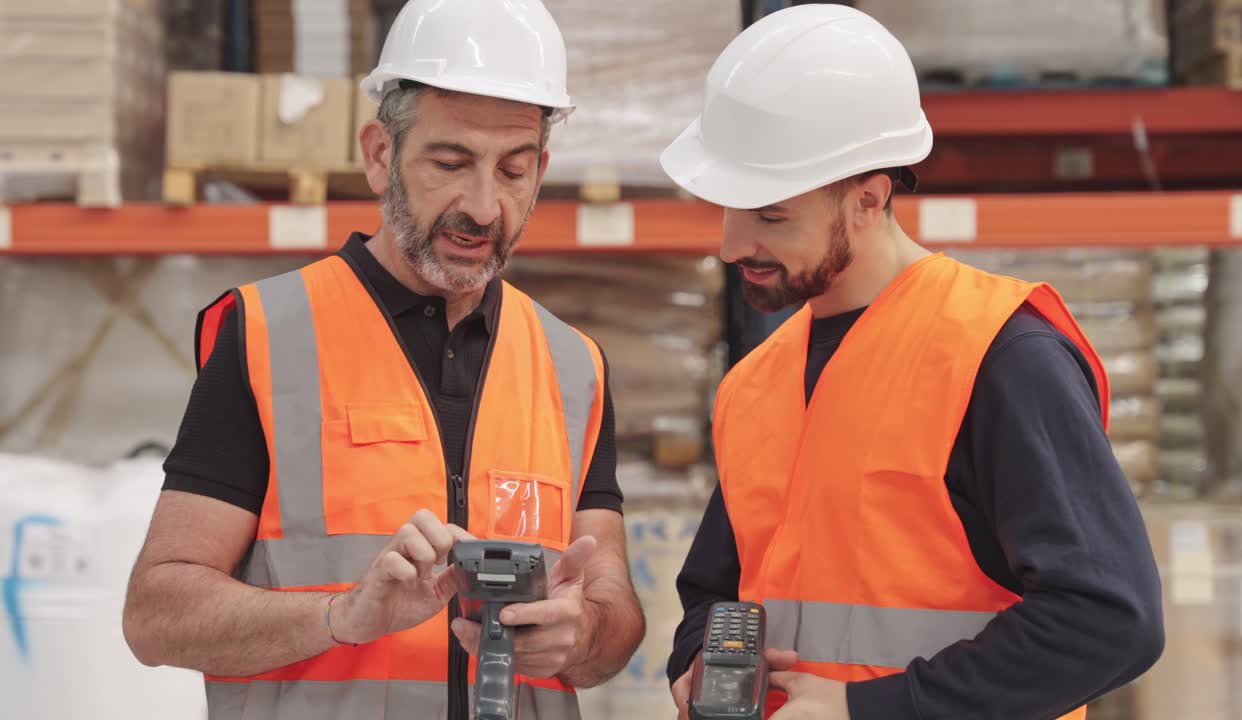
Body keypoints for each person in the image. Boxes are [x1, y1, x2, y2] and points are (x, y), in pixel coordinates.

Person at [121, 1, 645, 718]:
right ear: (378, 153)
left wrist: (584, 634)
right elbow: (156, 615)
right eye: (450, 163)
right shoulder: (268, 335)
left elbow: (614, 614)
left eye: (514, 171)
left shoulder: (573, 365)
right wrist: (343, 615)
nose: (485, 206)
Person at [660, 6, 1164, 720]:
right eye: (728, 208)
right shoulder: (757, 383)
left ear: (868, 199)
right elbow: (713, 589)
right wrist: (698, 663)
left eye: (770, 215)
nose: (731, 244)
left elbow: (1111, 617)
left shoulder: (1000, 354)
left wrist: (870, 709)